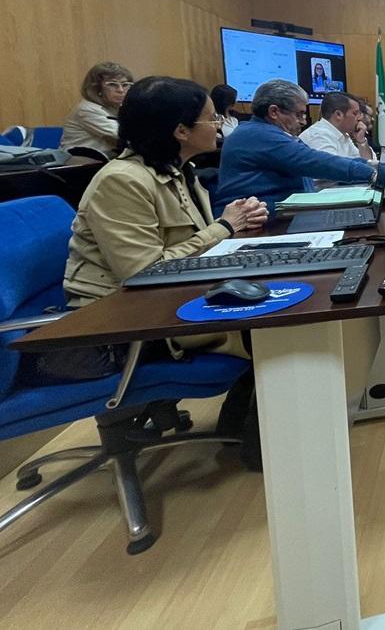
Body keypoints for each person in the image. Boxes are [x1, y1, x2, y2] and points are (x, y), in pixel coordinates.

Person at [38, 77, 269, 462]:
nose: (220, 126)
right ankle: (258, 448)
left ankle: (240, 430)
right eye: (211, 120)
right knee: (273, 329)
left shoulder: (179, 171)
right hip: (121, 323)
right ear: (180, 131)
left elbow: (195, 251)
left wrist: (240, 227)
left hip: (168, 299)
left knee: (276, 304)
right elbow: (143, 273)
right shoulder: (122, 181)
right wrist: (225, 227)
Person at [214, 79, 384, 213]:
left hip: (284, 214)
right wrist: (373, 172)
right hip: (255, 226)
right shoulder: (256, 135)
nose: (303, 121)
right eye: (299, 114)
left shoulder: (270, 132)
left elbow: (316, 157)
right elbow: (313, 161)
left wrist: (376, 166)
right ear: (274, 112)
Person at [61, 62, 134, 158]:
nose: (120, 90)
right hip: (80, 165)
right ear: (97, 88)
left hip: (106, 162)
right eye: (112, 84)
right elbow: (124, 136)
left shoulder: (117, 107)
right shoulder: (87, 109)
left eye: (125, 85)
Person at [299, 92, 374, 159]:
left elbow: (369, 164)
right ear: (338, 115)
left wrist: (361, 141)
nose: (359, 118)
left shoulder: (343, 135)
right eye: (355, 113)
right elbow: (334, 172)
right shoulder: (318, 136)